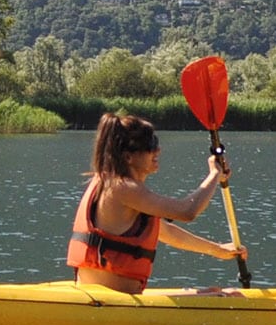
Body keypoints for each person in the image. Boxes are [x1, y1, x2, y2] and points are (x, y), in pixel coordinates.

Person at [66, 111, 241, 293]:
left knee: (214, 291)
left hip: (115, 297)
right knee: (232, 296)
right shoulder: (122, 187)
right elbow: (188, 211)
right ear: (128, 157)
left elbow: (166, 232)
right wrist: (214, 174)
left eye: (155, 142)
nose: (157, 150)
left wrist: (217, 250)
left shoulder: (113, 183)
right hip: (111, 302)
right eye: (150, 145)